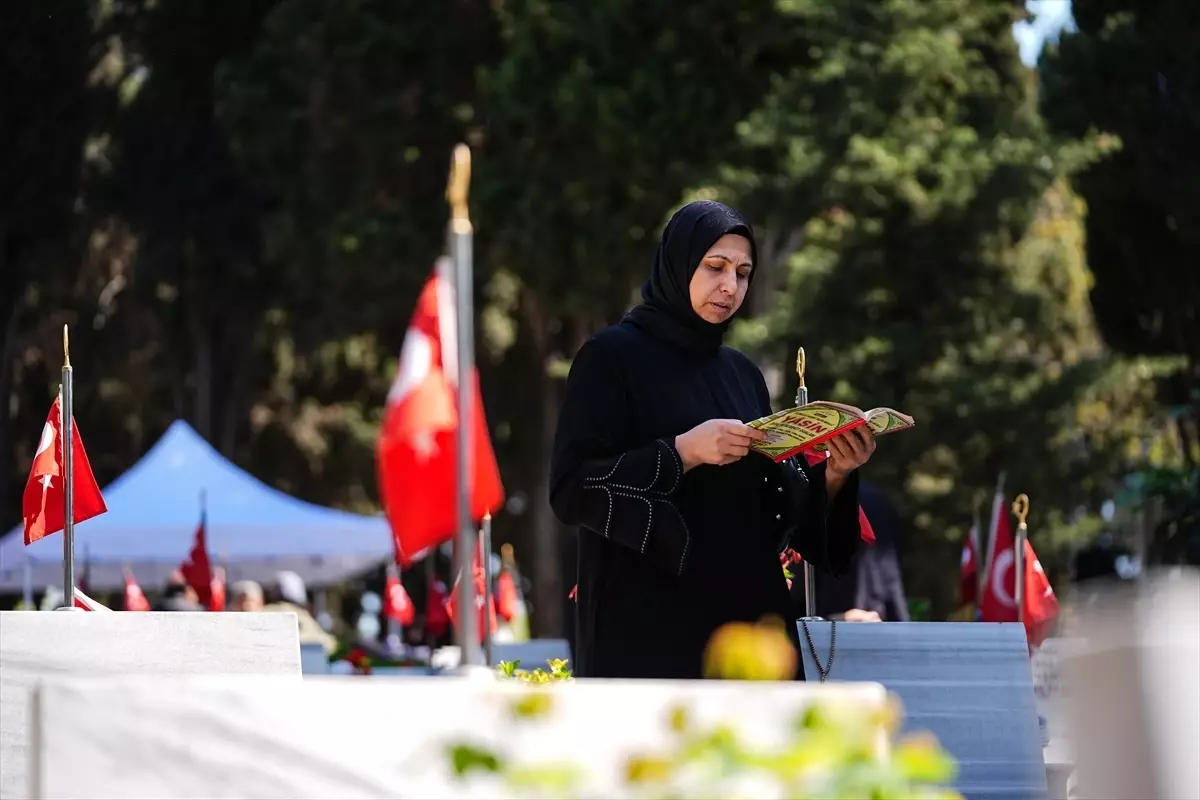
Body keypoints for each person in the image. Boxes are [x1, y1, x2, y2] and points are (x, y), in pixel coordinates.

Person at [550, 200, 875, 680]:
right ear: (679, 263)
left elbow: (774, 512)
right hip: (650, 631)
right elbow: (571, 489)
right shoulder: (610, 358)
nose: (730, 286)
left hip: (750, 627)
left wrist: (836, 474)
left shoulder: (741, 373)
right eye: (715, 267)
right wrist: (683, 452)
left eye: (744, 273)